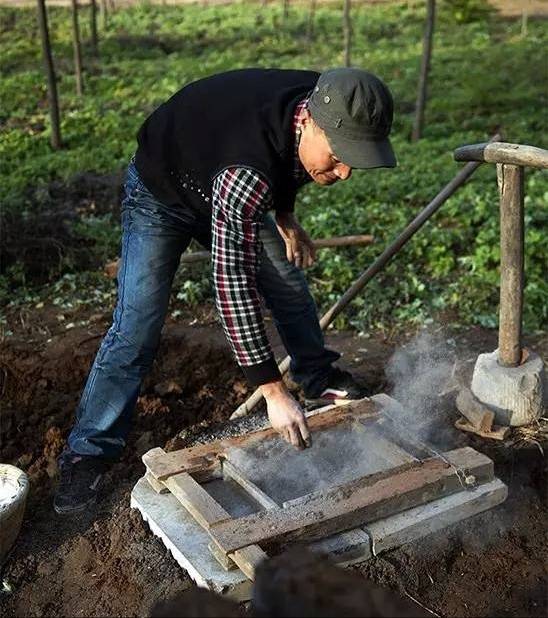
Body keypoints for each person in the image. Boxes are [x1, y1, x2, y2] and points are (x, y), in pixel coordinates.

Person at [54, 67, 396, 515]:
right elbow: (232, 285)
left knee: (288, 284)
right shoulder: (246, 173)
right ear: (310, 121)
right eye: (337, 157)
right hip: (163, 193)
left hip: (226, 174)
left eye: (353, 157)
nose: (345, 171)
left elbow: (288, 159)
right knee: (138, 322)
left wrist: (285, 214)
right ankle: (88, 452)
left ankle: (319, 378)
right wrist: (272, 391)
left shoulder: (332, 98)